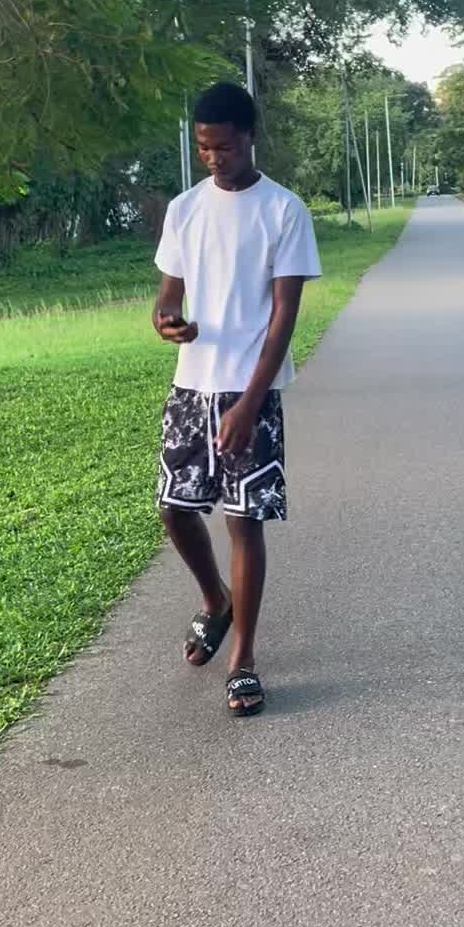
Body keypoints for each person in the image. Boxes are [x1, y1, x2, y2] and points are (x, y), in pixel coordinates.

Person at [152, 81, 321, 718]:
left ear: (250, 138)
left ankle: (243, 659)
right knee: (174, 509)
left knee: (243, 520)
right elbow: (168, 296)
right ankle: (214, 600)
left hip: (252, 390)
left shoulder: (284, 210)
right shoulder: (184, 209)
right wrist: (169, 322)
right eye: (204, 147)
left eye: (223, 146)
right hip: (191, 385)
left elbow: (283, 318)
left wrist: (250, 403)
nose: (214, 158)